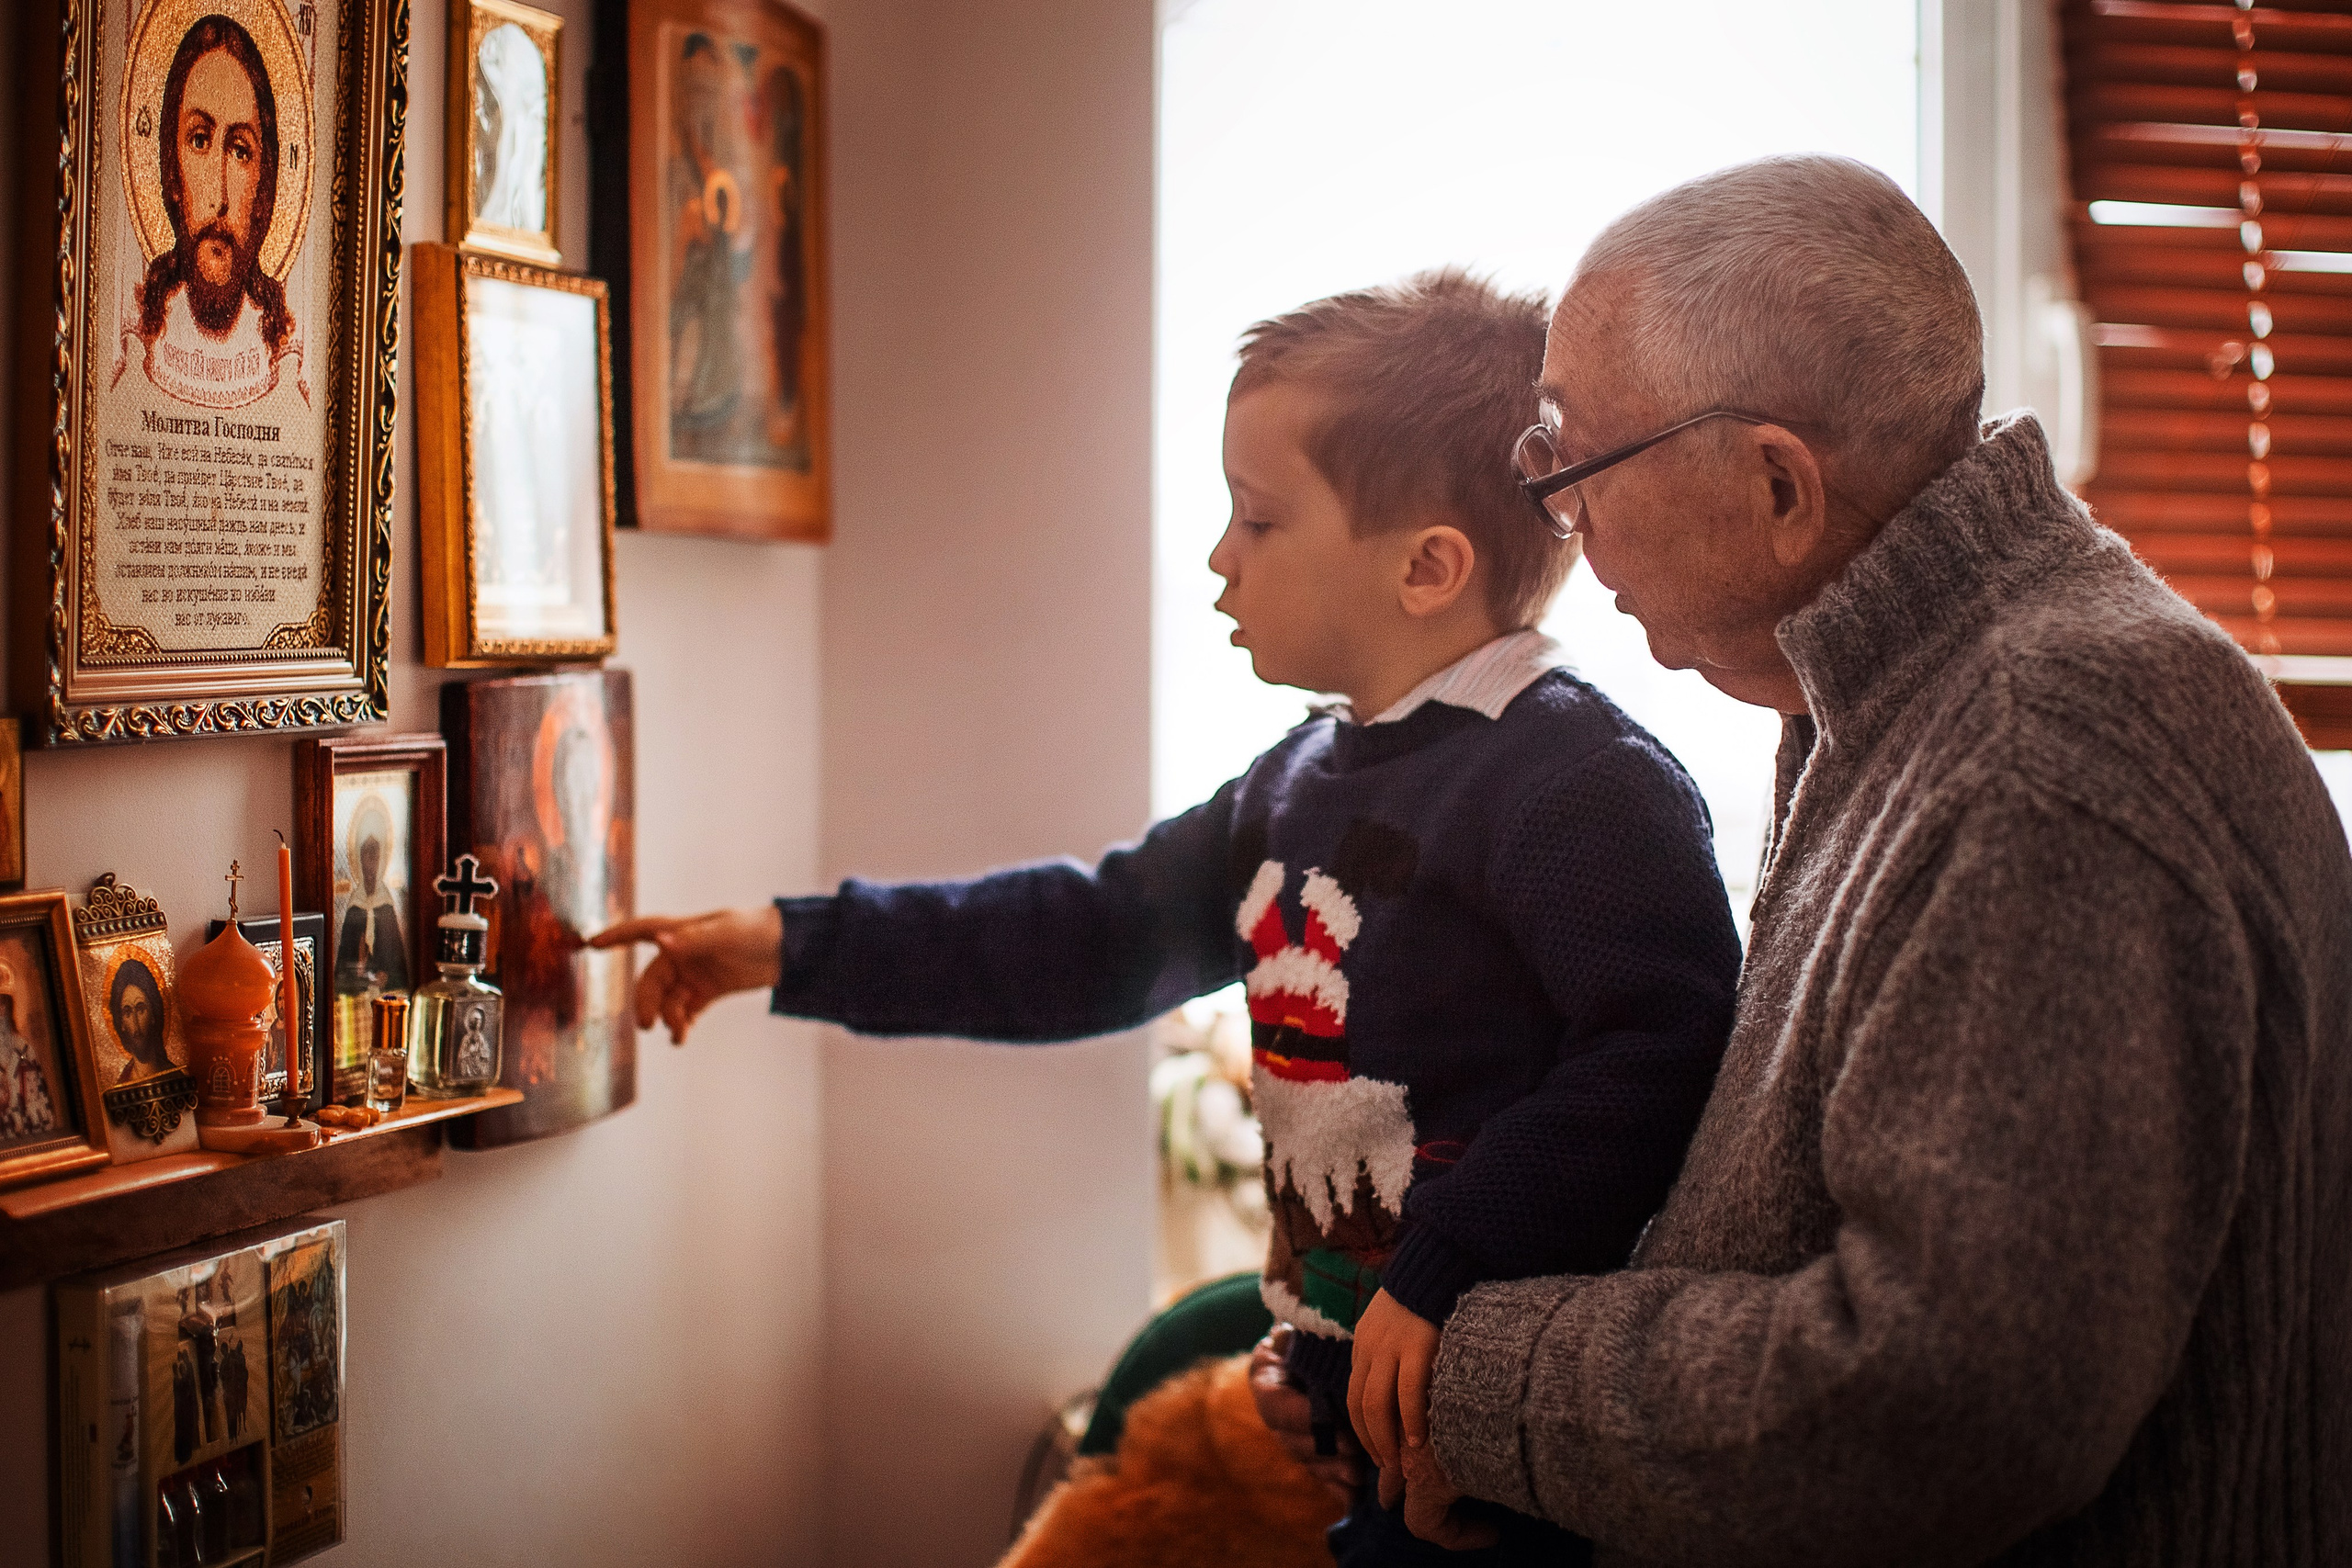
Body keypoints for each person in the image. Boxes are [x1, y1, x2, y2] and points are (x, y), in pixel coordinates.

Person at [1246, 154, 2352, 1565]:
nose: (1557, 520)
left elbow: (1940, 1406)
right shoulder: (1905, 694)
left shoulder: (2043, 763)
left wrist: (1469, 1377)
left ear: (1776, 483)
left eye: (1572, 464)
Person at [596, 270, 1744, 1566]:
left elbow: (1661, 1050)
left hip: (1494, 1461)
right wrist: (789, 942)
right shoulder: (1299, 777)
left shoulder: (1576, 782)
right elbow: (1086, 935)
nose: (1218, 555)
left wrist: (1443, 1265)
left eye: (1258, 517)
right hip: (1337, 1419)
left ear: (1428, 565)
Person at [135, 15, 293, 369]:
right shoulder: (143, 325)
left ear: (263, 181)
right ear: (172, 166)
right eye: (200, 140)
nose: (219, 196)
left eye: (240, 151)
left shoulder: (279, 344)